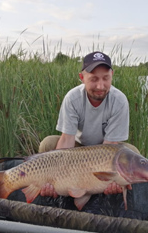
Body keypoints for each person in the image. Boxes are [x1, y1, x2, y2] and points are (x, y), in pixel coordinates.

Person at [38, 51, 138, 199]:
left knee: (133, 153)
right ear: (82, 78)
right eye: (94, 79)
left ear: (112, 75)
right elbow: (66, 140)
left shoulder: (119, 101)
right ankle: (61, 185)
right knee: (47, 144)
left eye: (106, 78)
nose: (100, 86)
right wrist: (54, 177)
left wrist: (110, 179)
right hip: (78, 150)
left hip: (103, 152)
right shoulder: (73, 98)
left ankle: (95, 189)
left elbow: (109, 147)